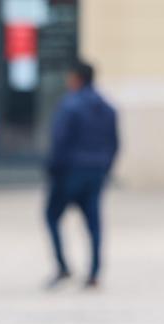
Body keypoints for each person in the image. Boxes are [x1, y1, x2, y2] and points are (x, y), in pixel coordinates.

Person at [45, 60, 119, 290]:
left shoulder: (70, 106)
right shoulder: (107, 107)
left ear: (77, 78)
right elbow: (115, 143)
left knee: (51, 216)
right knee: (94, 224)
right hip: (95, 172)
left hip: (70, 172)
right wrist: (105, 168)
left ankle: (63, 266)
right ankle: (94, 272)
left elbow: (59, 141)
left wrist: (54, 170)